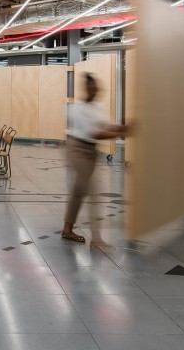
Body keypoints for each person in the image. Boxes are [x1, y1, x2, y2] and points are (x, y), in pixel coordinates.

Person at [62, 73, 130, 250]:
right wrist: (121, 132)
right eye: (91, 88)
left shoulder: (98, 107)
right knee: (93, 191)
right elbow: (95, 133)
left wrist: (122, 128)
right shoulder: (76, 108)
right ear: (85, 88)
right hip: (77, 149)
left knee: (78, 191)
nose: (94, 91)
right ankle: (97, 240)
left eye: (97, 88)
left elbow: (106, 126)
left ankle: (67, 229)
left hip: (90, 151)